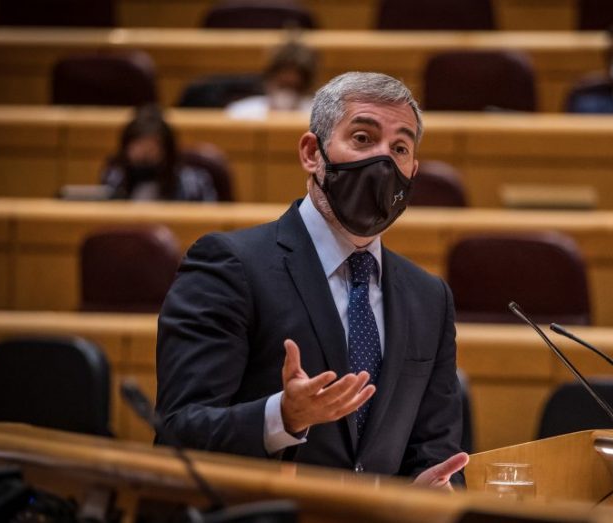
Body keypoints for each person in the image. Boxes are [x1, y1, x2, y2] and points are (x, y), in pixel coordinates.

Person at [156, 72, 469, 487]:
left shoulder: (428, 297)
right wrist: (282, 417)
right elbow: (178, 430)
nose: (382, 162)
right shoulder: (231, 265)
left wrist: (435, 493)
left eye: (399, 148)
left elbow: (437, 451)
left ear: (412, 171)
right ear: (311, 152)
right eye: (362, 138)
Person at [102, 105, 217, 201]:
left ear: (167, 149)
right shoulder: (115, 177)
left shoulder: (192, 184)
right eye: (137, 146)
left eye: (152, 147)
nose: (144, 153)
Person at [226, 40, 318, 120]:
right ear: (268, 79)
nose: (286, 96)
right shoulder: (239, 113)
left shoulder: (317, 118)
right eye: (282, 86)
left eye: (295, 88)